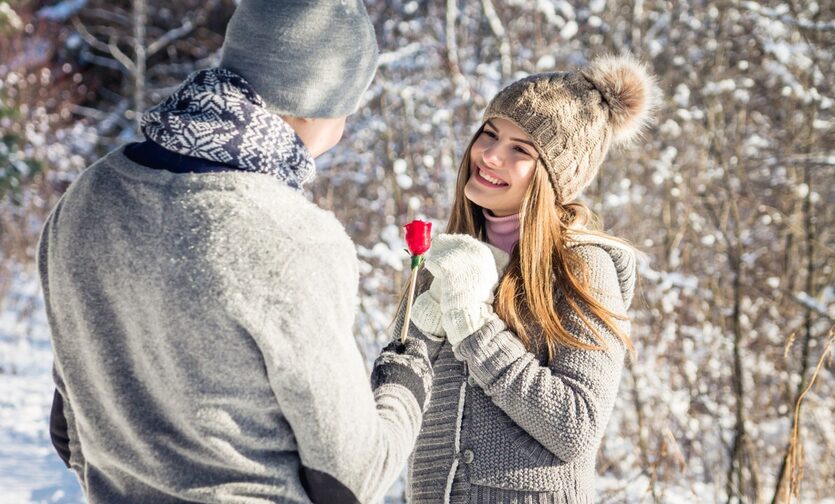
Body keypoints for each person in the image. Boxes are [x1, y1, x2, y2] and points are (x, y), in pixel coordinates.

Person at [40, 1, 433, 503]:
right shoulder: (293, 240)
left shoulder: (87, 197)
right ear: (317, 101)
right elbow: (349, 476)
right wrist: (405, 383)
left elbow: (70, 430)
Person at [395, 53, 660, 503]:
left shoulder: (581, 269)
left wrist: (475, 327)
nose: (491, 155)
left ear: (554, 177)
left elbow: (576, 427)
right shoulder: (449, 260)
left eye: (521, 150)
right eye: (489, 134)